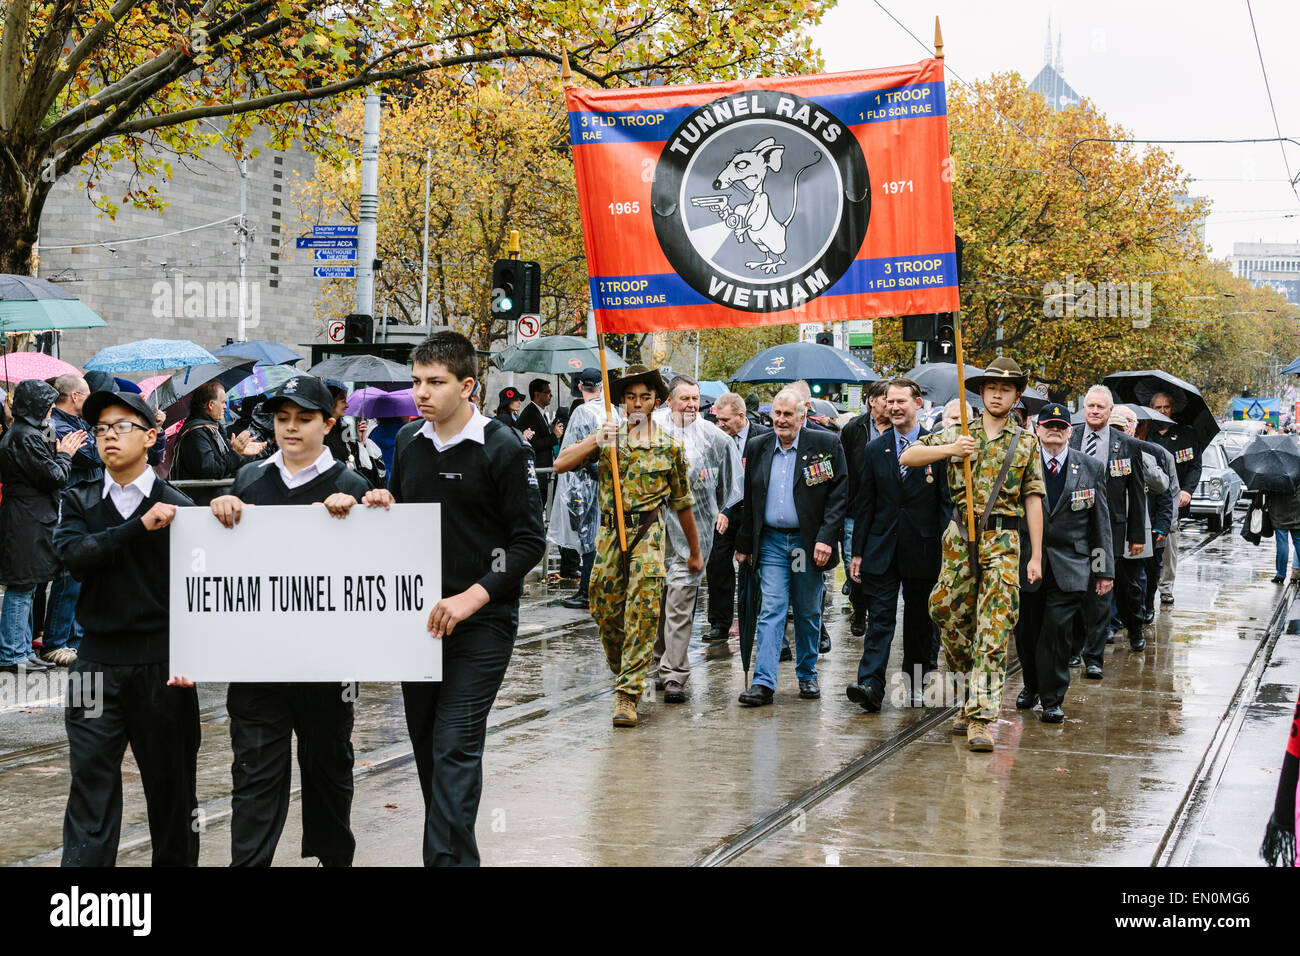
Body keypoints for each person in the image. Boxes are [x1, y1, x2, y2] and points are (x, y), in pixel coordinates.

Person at [358, 332, 544, 865]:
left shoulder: (504, 447)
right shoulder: (410, 444)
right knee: (428, 752)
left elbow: (528, 540)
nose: (422, 392)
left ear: (467, 386)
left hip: (482, 623)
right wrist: (383, 501)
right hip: (420, 622)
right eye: (416, 381)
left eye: (435, 382)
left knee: (455, 745)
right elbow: (407, 515)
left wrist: (474, 596)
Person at [208, 375, 371, 867]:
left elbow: (375, 575)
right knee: (255, 772)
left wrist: (363, 514)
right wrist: (220, 511)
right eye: (282, 419)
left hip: (326, 664)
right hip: (259, 662)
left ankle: (332, 857)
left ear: (329, 423)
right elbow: (224, 569)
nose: (291, 428)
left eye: (304, 419)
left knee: (329, 769)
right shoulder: (249, 480)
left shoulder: (351, 485)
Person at [53, 389, 199, 865]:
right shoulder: (79, 499)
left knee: (172, 793)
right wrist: (139, 526)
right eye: (100, 429)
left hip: (163, 667)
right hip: (94, 666)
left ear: (151, 436)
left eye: (121, 427)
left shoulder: (178, 506)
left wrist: (194, 656)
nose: (108, 436)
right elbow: (74, 557)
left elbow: (200, 595)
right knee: (90, 792)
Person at [901, 356, 1044, 752]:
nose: (998, 394)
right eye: (992, 388)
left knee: (993, 629)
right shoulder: (958, 433)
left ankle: (981, 717)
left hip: (1003, 540)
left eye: (1007, 389)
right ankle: (971, 691)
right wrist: (950, 448)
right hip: (959, 537)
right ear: (981, 393)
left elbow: (1033, 499)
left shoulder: (1026, 442)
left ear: (1017, 396)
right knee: (943, 609)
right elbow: (907, 456)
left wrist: (1036, 555)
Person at [555, 365, 699, 726]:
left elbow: (682, 504)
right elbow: (559, 465)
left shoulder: (669, 448)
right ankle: (628, 670)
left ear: (656, 402)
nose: (637, 403)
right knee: (603, 606)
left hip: (648, 535)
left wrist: (695, 552)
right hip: (608, 534)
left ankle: (627, 695)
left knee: (643, 613)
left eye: (645, 397)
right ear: (621, 400)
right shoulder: (609, 438)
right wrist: (596, 441)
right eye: (631, 396)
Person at [734, 387, 846, 706]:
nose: (781, 420)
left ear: (802, 415)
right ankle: (764, 682)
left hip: (805, 543)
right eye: (777, 414)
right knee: (772, 608)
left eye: (788, 414)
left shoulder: (824, 445)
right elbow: (750, 497)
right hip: (770, 542)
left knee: (808, 609)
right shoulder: (759, 446)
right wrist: (745, 543)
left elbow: (839, 495)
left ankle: (807, 673)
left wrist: (826, 538)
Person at [847, 377, 952, 711]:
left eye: (900, 402)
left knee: (920, 620)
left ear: (917, 403)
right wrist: (858, 552)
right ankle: (870, 685)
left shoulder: (935, 446)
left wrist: (948, 548)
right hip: (882, 548)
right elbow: (865, 503)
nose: (893, 407)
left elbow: (945, 502)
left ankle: (917, 682)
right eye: (889, 402)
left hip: (924, 548)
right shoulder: (876, 449)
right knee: (880, 619)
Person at [1013, 403, 1112, 724]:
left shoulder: (1091, 467)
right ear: (1036, 429)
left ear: (1070, 431)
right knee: (1027, 632)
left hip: (1071, 565)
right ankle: (1031, 685)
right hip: (1028, 562)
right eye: (1048, 425)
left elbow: (1101, 524)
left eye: (1060, 426)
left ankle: (1053, 699)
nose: (1054, 430)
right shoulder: (1020, 464)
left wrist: (1103, 569)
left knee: (1056, 633)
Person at [651, 376, 741, 702]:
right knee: (658, 603)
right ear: (669, 401)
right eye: (684, 398)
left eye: (695, 398)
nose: (691, 405)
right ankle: (660, 665)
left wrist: (722, 511)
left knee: (680, 603)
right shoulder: (651, 433)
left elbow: (731, 484)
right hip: (655, 535)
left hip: (694, 537)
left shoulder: (714, 439)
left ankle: (675, 673)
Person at [0, 380, 85, 674]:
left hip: (33, 517)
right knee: (22, 586)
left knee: (29, 584)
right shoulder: (23, 436)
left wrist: (57, 447)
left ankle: (21, 650)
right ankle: (12, 653)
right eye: (47, 404)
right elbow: (54, 475)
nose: (52, 408)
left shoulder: (29, 432)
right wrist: (66, 455)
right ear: (36, 405)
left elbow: (49, 452)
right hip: (26, 518)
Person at [1069, 385, 1147, 677]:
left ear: (1110, 411)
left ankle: (1094, 657)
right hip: (1073, 531)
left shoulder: (1125, 445)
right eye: (1090, 406)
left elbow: (1137, 493)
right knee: (1074, 591)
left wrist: (1136, 536)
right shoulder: (1071, 436)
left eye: (1101, 407)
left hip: (1108, 534)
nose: (1095, 411)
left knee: (1100, 595)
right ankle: (1073, 650)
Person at [43, 374, 100, 666]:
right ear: (75, 396)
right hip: (69, 504)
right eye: (87, 393)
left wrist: (91, 438)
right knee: (68, 576)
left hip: (87, 502)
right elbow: (91, 455)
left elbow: (92, 450)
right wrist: (93, 442)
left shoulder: (80, 424)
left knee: (82, 575)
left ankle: (76, 640)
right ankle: (56, 641)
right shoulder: (55, 425)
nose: (90, 398)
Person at [704, 392, 769, 643]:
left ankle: (754, 619)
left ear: (741, 416)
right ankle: (720, 622)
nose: (720, 425)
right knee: (718, 565)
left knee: (755, 568)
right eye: (717, 420)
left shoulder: (763, 437)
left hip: (753, 513)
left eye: (725, 420)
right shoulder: (713, 438)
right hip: (723, 514)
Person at [549, 367, 616, 610]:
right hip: (607, 484)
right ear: (601, 386)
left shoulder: (582, 413)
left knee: (589, 539)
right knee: (602, 538)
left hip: (584, 484)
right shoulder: (612, 412)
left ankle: (587, 590)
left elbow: (570, 452)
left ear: (580, 387)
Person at [1119, 405, 1175, 624]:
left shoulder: (1154, 452)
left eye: (1129, 424)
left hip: (1150, 523)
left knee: (1150, 572)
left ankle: (1146, 606)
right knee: (1126, 576)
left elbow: (1166, 491)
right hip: (1122, 525)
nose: (1123, 428)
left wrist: (1164, 524)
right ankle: (1126, 616)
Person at [170, 380, 266, 505]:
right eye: (223, 402)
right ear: (211, 405)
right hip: (199, 504)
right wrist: (236, 452)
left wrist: (241, 451)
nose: (225, 406)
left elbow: (226, 461)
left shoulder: (212, 428)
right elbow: (210, 470)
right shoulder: (196, 433)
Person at [1147, 390, 1202, 607]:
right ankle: (1146, 588)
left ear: (1173, 409)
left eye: (1166, 407)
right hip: (1147, 499)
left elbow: (1196, 466)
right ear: (1151, 409)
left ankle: (1166, 588)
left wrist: (1187, 491)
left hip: (1173, 501)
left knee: (1169, 547)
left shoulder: (1187, 435)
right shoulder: (1143, 431)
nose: (1162, 411)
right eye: (1158, 407)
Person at [324, 385, 385, 489]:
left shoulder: (344, 429)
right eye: (343, 401)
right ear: (332, 402)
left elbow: (354, 460)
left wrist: (361, 440)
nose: (347, 405)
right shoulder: (321, 432)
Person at [1267, 486, 1300, 583]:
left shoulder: (1275, 472)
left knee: (1282, 543)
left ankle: (1280, 575)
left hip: (1279, 511)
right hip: (1297, 509)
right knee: (1298, 541)